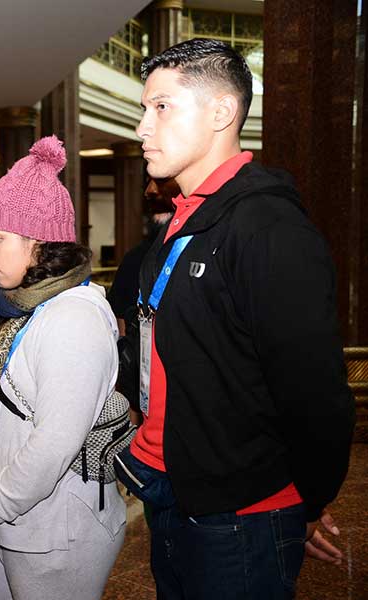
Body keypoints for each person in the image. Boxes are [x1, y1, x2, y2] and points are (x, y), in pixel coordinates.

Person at [116, 38, 355, 599]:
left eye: (161, 107)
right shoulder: (181, 224)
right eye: (144, 109)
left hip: (240, 509)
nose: (143, 128)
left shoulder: (269, 228)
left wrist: (308, 501)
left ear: (222, 112)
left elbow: (314, 390)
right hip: (171, 489)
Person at [0, 136, 126, 599]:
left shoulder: (74, 319)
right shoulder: (11, 304)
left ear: (40, 244)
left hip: (53, 535)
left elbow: (53, 445)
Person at [107, 177, 178, 337]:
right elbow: (121, 327)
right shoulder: (134, 259)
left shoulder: (205, 251)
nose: (150, 190)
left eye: (162, 181)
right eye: (148, 182)